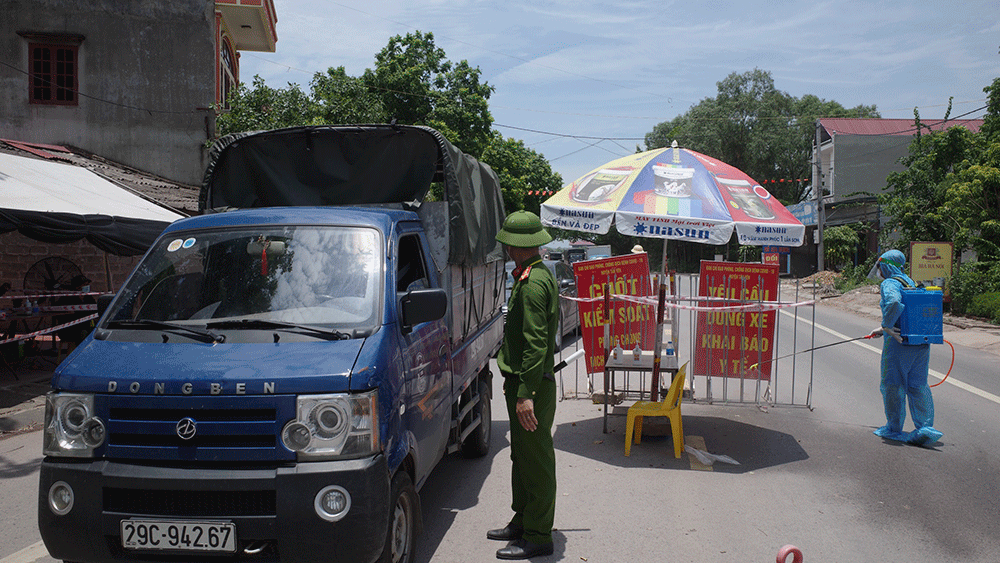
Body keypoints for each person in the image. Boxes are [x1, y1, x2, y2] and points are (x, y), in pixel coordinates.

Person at [489, 210, 559, 560]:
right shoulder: (532, 275)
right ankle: (523, 519)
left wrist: (525, 394)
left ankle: (538, 535)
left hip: (531, 386)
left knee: (536, 461)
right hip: (523, 381)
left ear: (516, 247)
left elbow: (536, 344)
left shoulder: (532, 284)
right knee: (522, 457)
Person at [867, 249, 943, 446]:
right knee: (918, 385)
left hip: (899, 344)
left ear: (885, 266)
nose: (879, 271)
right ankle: (925, 428)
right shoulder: (910, 281)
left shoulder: (890, 283)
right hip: (920, 342)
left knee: (893, 385)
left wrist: (886, 325)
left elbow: (893, 303)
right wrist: (884, 329)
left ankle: (893, 428)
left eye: (879, 267)